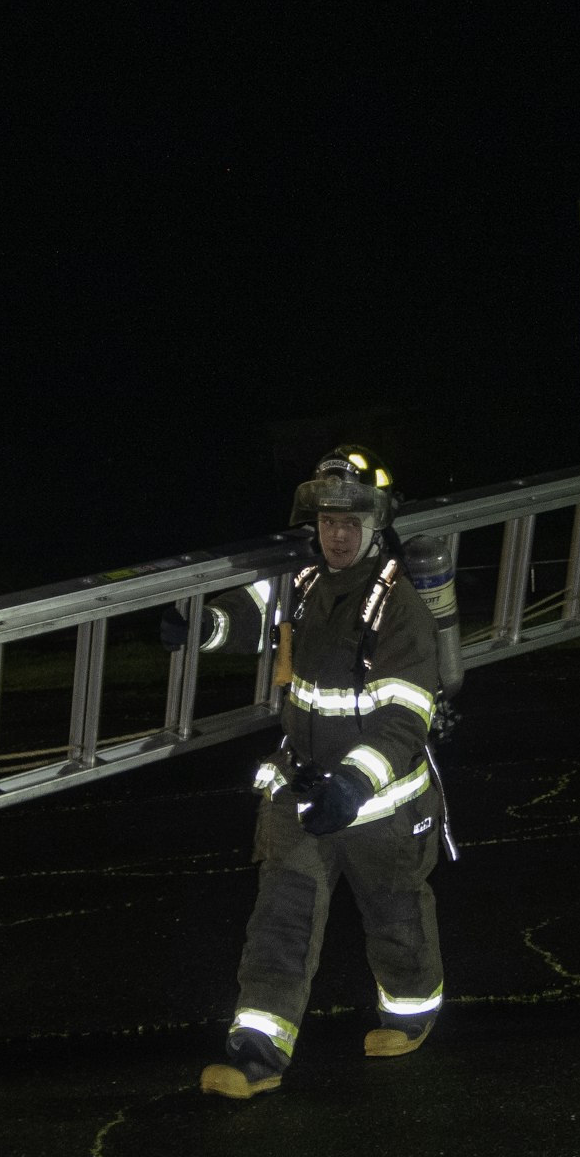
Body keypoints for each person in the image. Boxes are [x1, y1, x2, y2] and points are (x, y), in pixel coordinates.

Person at [169, 445, 445, 1100]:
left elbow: (407, 717)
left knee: (396, 917)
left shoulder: (397, 604)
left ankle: (412, 1011)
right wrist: (197, 625)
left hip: (380, 808)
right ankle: (257, 1053)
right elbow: (248, 624)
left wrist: (353, 785)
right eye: (327, 523)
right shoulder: (304, 584)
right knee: (280, 919)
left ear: (375, 527)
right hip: (301, 793)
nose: (338, 534)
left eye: (350, 523)